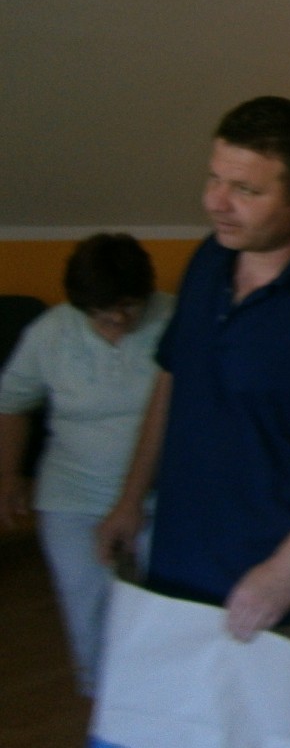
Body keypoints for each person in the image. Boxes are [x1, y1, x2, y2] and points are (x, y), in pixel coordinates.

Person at [97, 96, 290, 665]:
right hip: (184, 576)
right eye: (214, 179)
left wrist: (287, 569)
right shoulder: (208, 261)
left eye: (245, 190)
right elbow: (173, 380)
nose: (216, 203)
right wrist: (130, 499)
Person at [0, 234, 173, 695]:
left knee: (167, 608)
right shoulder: (51, 332)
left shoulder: (174, 319)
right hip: (73, 496)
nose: (118, 320)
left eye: (129, 307)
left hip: (161, 495)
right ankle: (103, 698)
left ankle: (164, 702)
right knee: (89, 606)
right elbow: (10, 401)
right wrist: (8, 474)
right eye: (102, 313)